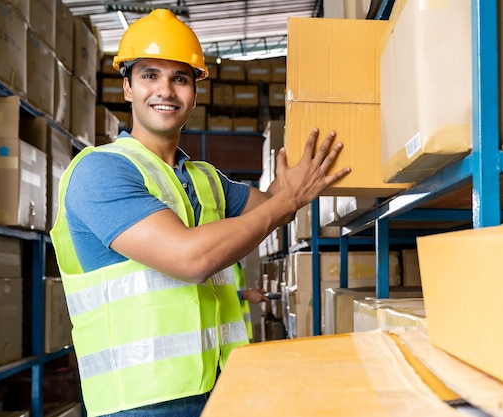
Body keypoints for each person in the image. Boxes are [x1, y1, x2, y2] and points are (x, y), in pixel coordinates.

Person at [50, 8, 350, 417]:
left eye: (180, 78)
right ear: (127, 87)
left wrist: (319, 152)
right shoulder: (100, 171)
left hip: (220, 385)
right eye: (149, 75)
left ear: (195, 90)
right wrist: (286, 200)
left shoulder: (206, 178)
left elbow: (275, 210)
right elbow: (191, 259)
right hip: (142, 402)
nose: (166, 91)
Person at [232, 260, 269, 341]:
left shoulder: (237, 264)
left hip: (240, 329)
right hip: (230, 331)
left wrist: (248, 294)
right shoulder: (225, 264)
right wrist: (246, 295)